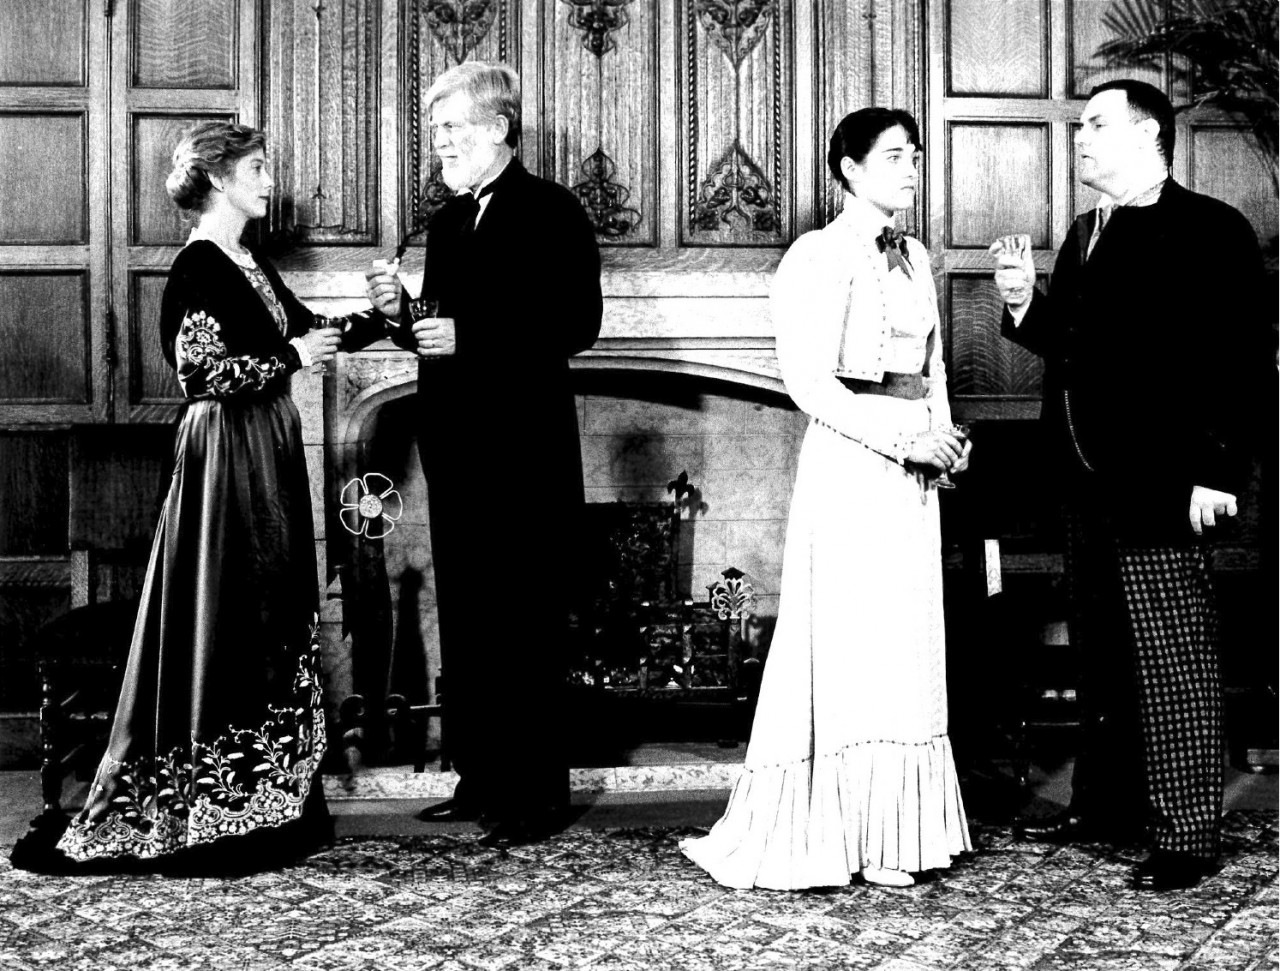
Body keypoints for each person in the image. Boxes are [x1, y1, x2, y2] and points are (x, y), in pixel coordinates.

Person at [12, 121, 375, 874]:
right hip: (225, 454)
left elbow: (312, 333)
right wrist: (290, 357)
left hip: (265, 448)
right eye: (258, 168)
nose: (271, 181)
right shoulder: (198, 267)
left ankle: (266, 799)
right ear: (216, 179)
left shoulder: (247, 259)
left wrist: (380, 313)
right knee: (227, 607)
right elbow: (202, 374)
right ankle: (216, 803)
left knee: (269, 607)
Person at [680, 108, 973, 890]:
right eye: (891, 157)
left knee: (906, 644)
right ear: (847, 168)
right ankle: (844, 833)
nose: (910, 169)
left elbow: (932, 367)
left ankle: (897, 835)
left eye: (914, 155)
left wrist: (944, 440)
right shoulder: (815, 256)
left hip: (913, 471)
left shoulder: (915, 255)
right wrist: (901, 436)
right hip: (851, 465)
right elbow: (809, 384)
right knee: (856, 643)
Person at [989, 79, 1270, 891]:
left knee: (1172, 657)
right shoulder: (1087, 231)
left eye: (1095, 125)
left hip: (1163, 482)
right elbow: (1078, 354)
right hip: (1085, 484)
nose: (1079, 137)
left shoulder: (1211, 229)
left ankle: (1187, 835)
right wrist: (1022, 305)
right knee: (1106, 656)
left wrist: (1215, 472)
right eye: (1079, 125)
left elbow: (1242, 363)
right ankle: (1107, 806)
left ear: (1149, 134)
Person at [364, 62, 602, 848]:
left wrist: (471, 334)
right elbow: (440, 333)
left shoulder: (552, 211)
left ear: (498, 128)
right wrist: (405, 316)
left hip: (523, 456)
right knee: (470, 619)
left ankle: (536, 795)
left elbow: (576, 321)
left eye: (452, 131)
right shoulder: (444, 221)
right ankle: (482, 778)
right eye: (434, 133)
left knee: (524, 624)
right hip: (457, 453)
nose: (440, 145)